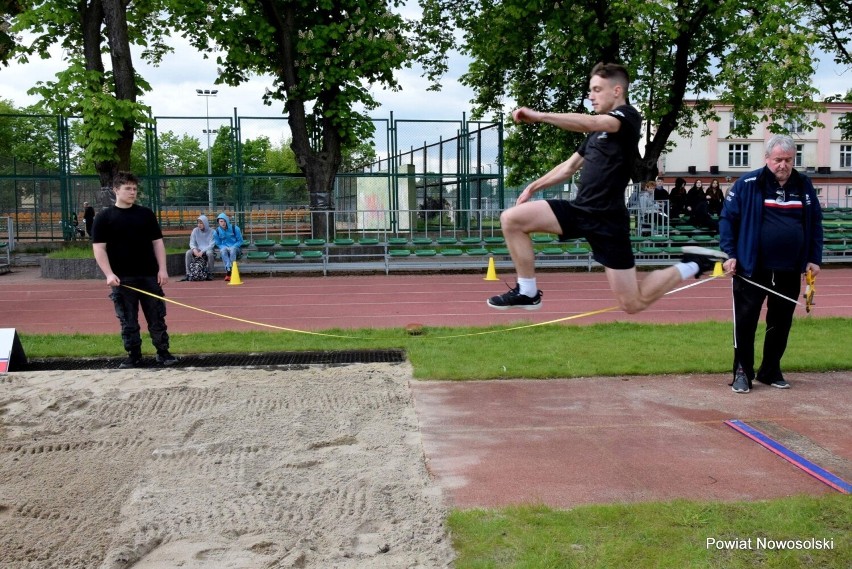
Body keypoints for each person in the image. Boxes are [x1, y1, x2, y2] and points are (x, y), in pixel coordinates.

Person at [487, 62, 727, 314]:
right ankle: (528, 291)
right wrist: (532, 188)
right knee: (512, 219)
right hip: (580, 211)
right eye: (590, 90)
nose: (590, 96)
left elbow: (594, 122)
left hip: (609, 222)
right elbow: (568, 167)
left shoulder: (627, 118)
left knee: (632, 303)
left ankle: (692, 264)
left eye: (597, 89)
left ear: (617, 90)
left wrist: (540, 116)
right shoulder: (595, 134)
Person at [720, 134, 823, 393]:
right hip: (751, 268)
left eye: (788, 160)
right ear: (767, 158)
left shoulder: (804, 185)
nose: (783, 165)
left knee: (781, 321)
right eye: (778, 159)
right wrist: (729, 254)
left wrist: (814, 258)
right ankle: (742, 371)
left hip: (790, 268)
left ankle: (770, 370)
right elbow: (727, 220)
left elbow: (815, 224)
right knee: (746, 322)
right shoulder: (748, 183)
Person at [91, 171, 177, 369]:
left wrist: (162, 269)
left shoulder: (145, 214)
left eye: (134, 189)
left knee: (156, 317)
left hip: (149, 275)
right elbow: (99, 249)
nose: (132, 192)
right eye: (128, 188)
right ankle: (134, 354)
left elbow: (158, 243)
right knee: (128, 320)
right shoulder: (104, 217)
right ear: (116, 190)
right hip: (122, 279)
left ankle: (163, 352)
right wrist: (109, 274)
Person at [180, 214, 215, 281]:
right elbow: (192, 242)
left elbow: (211, 244)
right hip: (198, 249)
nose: (199, 225)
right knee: (188, 253)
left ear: (205, 223)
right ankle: (188, 274)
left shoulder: (212, 232)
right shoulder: (195, 230)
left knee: (210, 253)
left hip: (207, 249)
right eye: (198, 223)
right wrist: (194, 249)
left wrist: (202, 251)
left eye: (201, 223)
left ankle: (210, 273)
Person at [213, 212, 243, 281]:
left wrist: (233, 246)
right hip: (225, 248)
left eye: (224, 221)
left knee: (232, 250)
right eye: (221, 221)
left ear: (227, 221)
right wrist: (224, 247)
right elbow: (218, 243)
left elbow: (240, 241)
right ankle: (228, 270)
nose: (222, 223)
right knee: (223, 250)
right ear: (218, 222)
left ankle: (232, 270)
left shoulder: (235, 228)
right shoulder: (216, 231)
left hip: (236, 249)